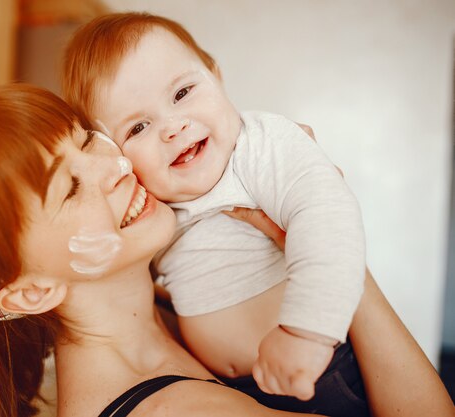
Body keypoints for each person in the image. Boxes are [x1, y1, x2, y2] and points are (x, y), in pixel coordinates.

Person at [0, 84, 333, 417]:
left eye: (86, 137)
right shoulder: (174, 410)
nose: (118, 164)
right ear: (31, 292)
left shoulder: (182, 305)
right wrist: (321, 231)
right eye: (69, 188)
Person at [61, 12, 365, 409]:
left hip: (318, 365)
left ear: (215, 76)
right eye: (138, 128)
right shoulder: (153, 201)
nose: (172, 127)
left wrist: (306, 332)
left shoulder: (260, 147)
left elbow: (327, 217)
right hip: (238, 385)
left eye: (182, 93)